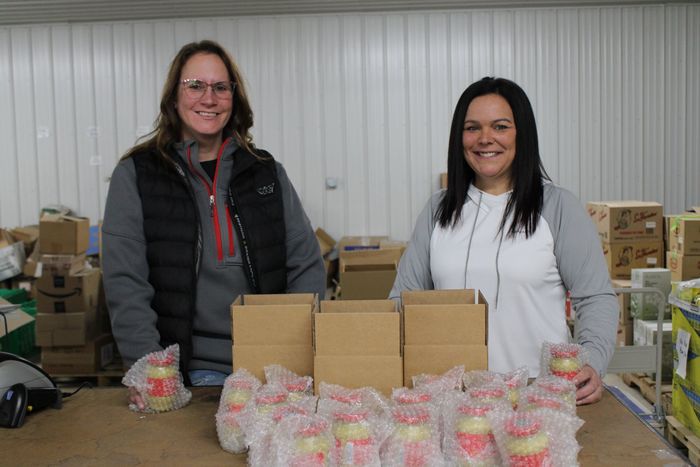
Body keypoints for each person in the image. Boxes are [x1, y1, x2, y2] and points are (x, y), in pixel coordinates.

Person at [102, 40, 326, 408]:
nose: (209, 98)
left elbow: (306, 266)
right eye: (195, 85)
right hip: (186, 376)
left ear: (233, 99)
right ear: (174, 97)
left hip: (267, 373)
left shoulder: (265, 172)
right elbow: (125, 282)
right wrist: (149, 370)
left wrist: (290, 360)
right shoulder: (137, 176)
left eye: (221, 87)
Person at [389, 77, 618, 405]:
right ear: (460, 137)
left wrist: (592, 362)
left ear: (521, 134)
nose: (485, 139)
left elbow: (595, 297)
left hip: (539, 401)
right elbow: (402, 299)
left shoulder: (556, 207)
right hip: (457, 402)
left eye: (500, 126)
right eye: (472, 128)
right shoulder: (438, 210)